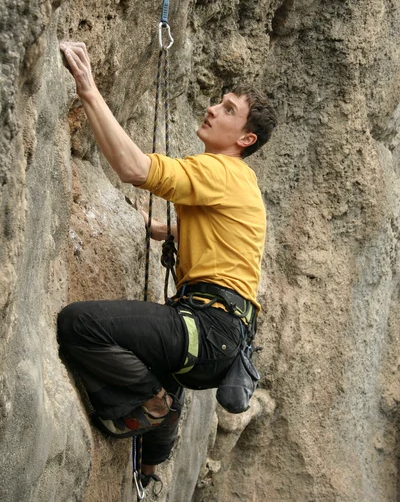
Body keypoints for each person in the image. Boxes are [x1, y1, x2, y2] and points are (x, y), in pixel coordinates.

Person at [57, 41, 277, 478]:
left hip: (206, 327)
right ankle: (151, 464)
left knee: (78, 324)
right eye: (219, 101)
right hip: (219, 339)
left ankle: (152, 402)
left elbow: (136, 169)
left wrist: (88, 88)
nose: (213, 109)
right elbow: (232, 235)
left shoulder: (220, 171)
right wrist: (168, 229)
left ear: (245, 138)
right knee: (160, 354)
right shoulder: (241, 184)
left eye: (228, 109)